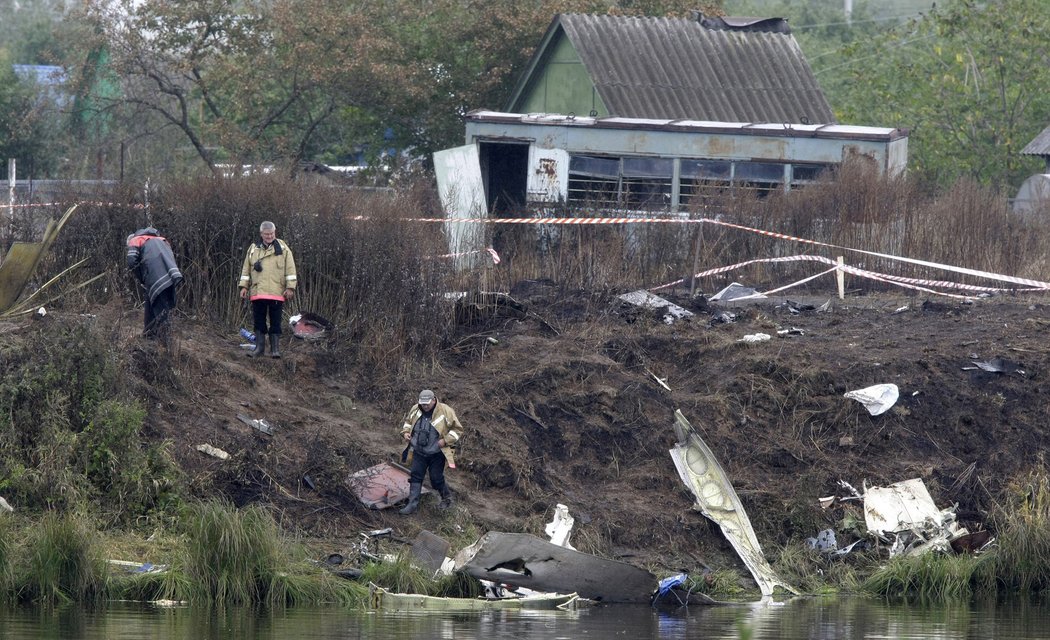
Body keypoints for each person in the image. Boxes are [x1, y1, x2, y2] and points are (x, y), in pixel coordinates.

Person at [398, 389, 464, 514]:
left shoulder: (445, 411)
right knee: (416, 476)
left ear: (434, 400)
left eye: (427, 403)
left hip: (436, 454)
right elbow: (407, 423)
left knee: (436, 478)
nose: (425, 406)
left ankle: (447, 498)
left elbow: (458, 430)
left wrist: (445, 441)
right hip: (418, 450)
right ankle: (412, 504)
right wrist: (406, 432)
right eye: (423, 403)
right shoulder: (415, 409)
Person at [239, 221, 297, 358]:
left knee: (275, 322)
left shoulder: (283, 249)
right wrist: (243, 287)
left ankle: (275, 350)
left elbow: (291, 269)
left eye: (272, 234)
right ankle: (259, 349)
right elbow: (246, 269)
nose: (270, 236)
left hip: (277, 293)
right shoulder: (253, 249)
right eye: (266, 234)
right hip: (258, 293)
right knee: (259, 321)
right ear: (261, 234)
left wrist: (290, 287)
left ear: (275, 232)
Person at [126, 227, 183, 341]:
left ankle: (165, 341)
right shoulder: (162, 240)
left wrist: (141, 277)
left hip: (155, 275)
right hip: (170, 274)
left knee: (160, 308)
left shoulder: (135, 240)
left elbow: (132, 262)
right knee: (150, 304)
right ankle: (149, 334)